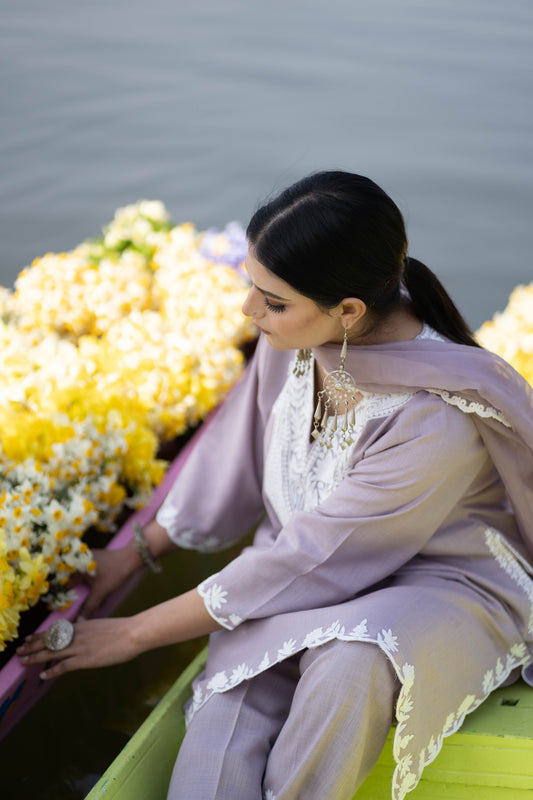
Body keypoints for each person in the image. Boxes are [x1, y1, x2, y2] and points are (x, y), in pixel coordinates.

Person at [18, 171, 533, 800]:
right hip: (296, 570)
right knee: (222, 730)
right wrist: (140, 548)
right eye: (252, 288)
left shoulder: (436, 415)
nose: (249, 312)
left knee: (349, 665)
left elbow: (315, 557)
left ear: (348, 311)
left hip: (439, 583)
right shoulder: (297, 332)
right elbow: (236, 452)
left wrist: (133, 632)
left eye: (273, 301)